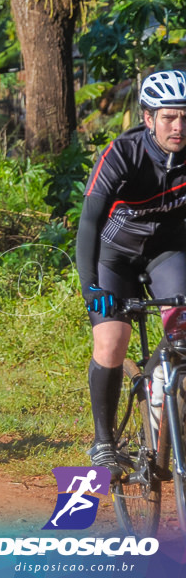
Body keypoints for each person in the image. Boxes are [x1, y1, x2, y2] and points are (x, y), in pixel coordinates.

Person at [76, 69, 186, 476]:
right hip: (114, 257)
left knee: (183, 334)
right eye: (170, 116)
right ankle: (104, 441)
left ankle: (163, 404)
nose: (179, 126)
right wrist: (91, 288)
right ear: (148, 117)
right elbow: (88, 225)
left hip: (166, 253)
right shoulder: (122, 154)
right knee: (111, 338)